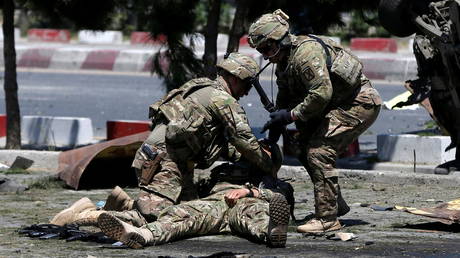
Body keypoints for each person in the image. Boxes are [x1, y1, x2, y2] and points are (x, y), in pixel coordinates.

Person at [50, 52, 276, 227]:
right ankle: (85, 215)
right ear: (236, 78)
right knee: (155, 219)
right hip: (166, 163)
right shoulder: (224, 101)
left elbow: (216, 143)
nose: (247, 92)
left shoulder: (199, 87)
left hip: (164, 159)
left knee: (186, 212)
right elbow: (244, 139)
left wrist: (240, 154)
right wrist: (267, 164)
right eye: (247, 85)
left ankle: (120, 203)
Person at [247, 9, 382, 233]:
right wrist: (275, 129)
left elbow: (321, 94)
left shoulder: (306, 54)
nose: (266, 56)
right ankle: (334, 203)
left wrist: (289, 115)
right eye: (262, 51)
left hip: (358, 103)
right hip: (333, 106)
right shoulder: (285, 61)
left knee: (319, 152)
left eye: (268, 49)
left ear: (280, 39)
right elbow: (285, 98)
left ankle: (327, 220)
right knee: (300, 146)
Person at [97, 174, 291, 248]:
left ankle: (273, 232)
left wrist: (250, 191)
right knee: (182, 215)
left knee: (255, 213)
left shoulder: (274, 181)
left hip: (246, 201)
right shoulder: (226, 170)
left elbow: (281, 196)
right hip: (216, 203)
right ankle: (141, 233)